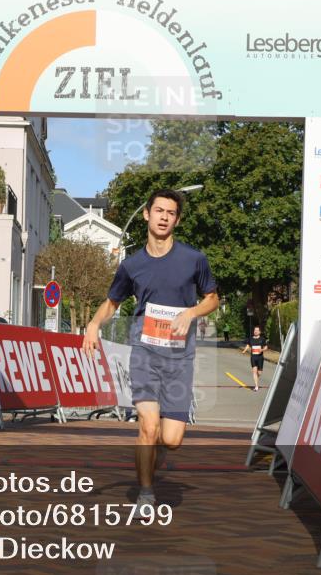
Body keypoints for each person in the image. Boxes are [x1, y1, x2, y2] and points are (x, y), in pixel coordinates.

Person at [84, 189, 219, 508]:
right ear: (147, 214)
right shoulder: (132, 265)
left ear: (177, 220)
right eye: (159, 211)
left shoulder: (193, 259)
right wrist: (93, 324)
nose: (163, 217)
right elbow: (112, 302)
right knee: (147, 426)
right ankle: (145, 493)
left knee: (170, 439)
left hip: (179, 357)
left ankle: (150, 458)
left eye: (170, 213)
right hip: (144, 353)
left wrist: (191, 312)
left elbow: (213, 299)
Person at [241, 325, 268, 392]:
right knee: (254, 371)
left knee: (259, 372)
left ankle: (256, 379)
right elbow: (248, 345)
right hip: (253, 357)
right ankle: (256, 386)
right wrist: (244, 350)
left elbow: (266, 347)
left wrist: (262, 350)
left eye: (257, 330)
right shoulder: (251, 339)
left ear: (259, 332)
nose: (255, 331)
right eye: (254, 330)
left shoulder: (262, 339)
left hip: (260, 357)